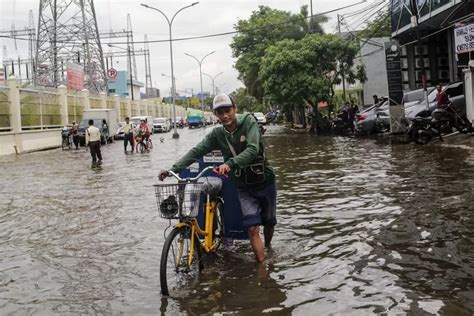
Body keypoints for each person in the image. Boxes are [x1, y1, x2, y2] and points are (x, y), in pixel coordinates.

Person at [159, 93, 277, 262]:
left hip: (264, 181)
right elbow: (197, 151)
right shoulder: (217, 135)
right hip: (243, 186)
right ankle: (262, 270)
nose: (225, 115)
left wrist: (229, 164)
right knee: (252, 229)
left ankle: (268, 246)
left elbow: (253, 150)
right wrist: (173, 169)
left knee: (269, 222)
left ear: (234, 108)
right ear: (215, 115)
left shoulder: (249, 122)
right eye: (220, 112)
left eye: (227, 110)